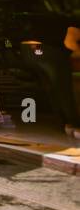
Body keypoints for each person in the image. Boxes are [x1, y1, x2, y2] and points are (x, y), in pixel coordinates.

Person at [21, 10, 80, 138]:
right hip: (46, 51)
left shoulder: (53, 17)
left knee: (53, 88)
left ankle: (65, 122)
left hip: (29, 49)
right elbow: (70, 43)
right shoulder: (74, 23)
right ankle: (72, 123)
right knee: (63, 88)